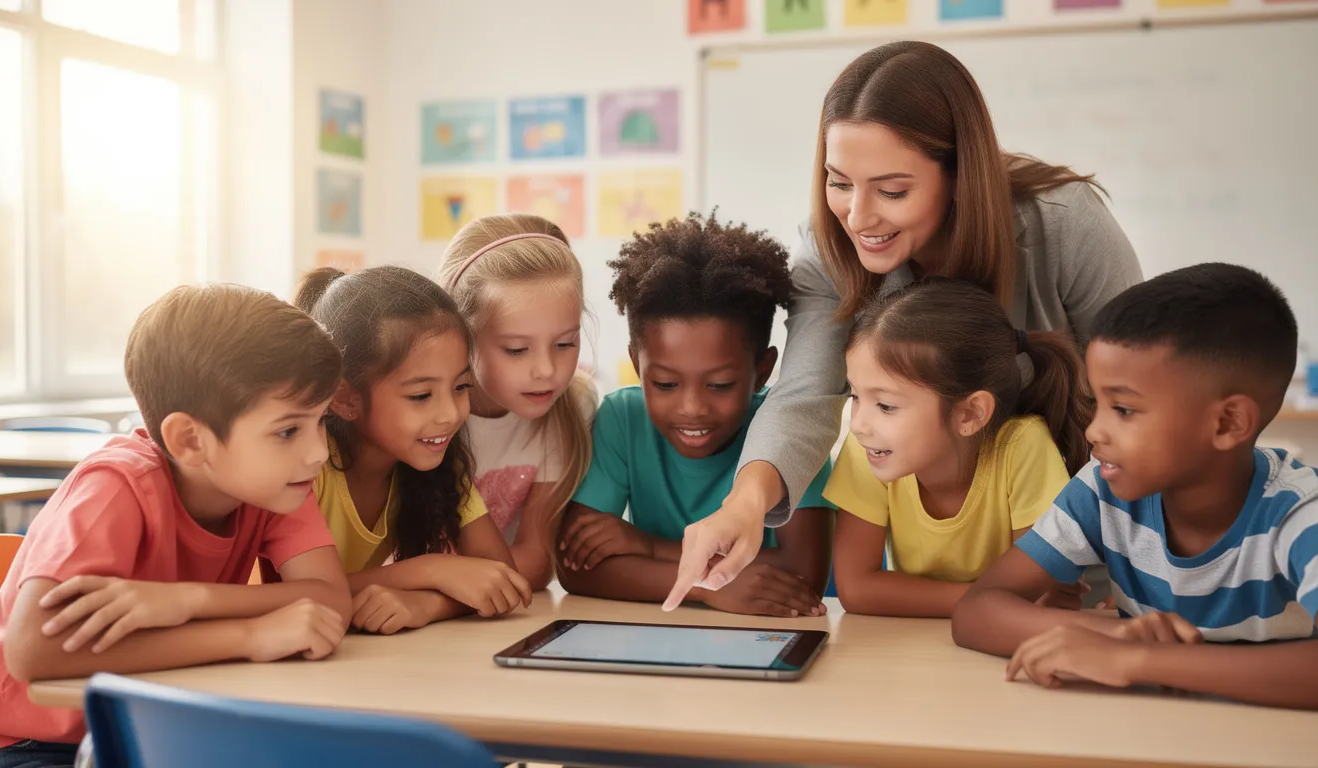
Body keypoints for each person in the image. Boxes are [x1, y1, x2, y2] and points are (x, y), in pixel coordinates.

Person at [667, 40, 1142, 609]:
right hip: (944, 590)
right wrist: (743, 504)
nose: (859, 217)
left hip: (1092, 555)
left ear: (960, 176)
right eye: (839, 181)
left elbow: (1142, 393)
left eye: (892, 191)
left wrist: (1137, 566)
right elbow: (805, 395)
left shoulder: (1064, 225)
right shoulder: (827, 251)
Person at [0, 284, 353, 766]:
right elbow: (32, 650)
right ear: (190, 440)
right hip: (33, 740)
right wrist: (250, 636)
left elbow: (329, 598)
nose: (317, 451)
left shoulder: (275, 480)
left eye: (321, 420)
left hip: (152, 727)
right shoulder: (116, 488)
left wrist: (185, 600)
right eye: (288, 430)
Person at [952, 264, 1318, 710]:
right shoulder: (1100, 491)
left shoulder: (1304, 515)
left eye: (1125, 410)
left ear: (1228, 422)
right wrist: (1116, 637)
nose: (1094, 431)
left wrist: (1142, 660)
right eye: (1098, 403)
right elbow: (976, 610)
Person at [561, 213, 833, 617]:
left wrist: (647, 548)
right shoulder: (622, 419)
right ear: (638, 365)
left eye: (719, 385)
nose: (691, 408)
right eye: (666, 384)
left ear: (761, 370)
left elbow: (800, 575)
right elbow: (578, 568)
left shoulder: (792, 441)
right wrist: (707, 591)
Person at [829, 278, 1090, 617]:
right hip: (912, 649)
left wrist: (1010, 601)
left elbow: (1039, 592)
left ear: (970, 413)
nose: (860, 425)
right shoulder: (871, 449)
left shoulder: (1024, 447)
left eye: (886, 406)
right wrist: (990, 602)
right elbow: (857, 589)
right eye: (855, 396)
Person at [294, 266, 531, 635]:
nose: (451, 414)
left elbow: (502, 580)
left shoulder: (440, 466)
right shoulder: (308, 467)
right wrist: (430, 569)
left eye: (461, 386)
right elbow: (288, 596)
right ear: (345, 398)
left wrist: (427, 604)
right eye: (421, 396)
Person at [438, 215, 597, 590]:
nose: (546, 369)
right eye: (516, 349)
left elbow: (536, 563)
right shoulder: (422, 411)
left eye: (565, 343)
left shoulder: (572, 405)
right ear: (462, 337)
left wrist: (435, 597)